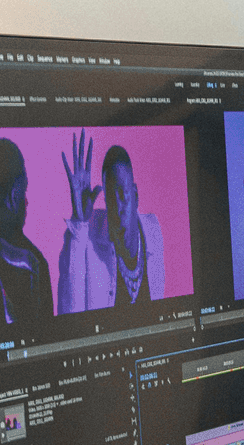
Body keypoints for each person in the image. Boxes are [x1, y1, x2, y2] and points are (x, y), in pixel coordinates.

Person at [57, 131, 166, 312]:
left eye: (123, 193)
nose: (118, 206)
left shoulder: (153, 231)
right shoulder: (87, 236)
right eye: (111, 197)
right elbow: (69, 316)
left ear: (136, 195)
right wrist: (79, 223)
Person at [0, 138, 54, 326]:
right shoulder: (34, 263)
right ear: (15, 194)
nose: (27, 202)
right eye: (25, 191)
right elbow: (47, 336)